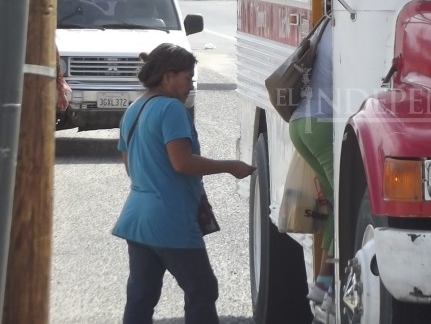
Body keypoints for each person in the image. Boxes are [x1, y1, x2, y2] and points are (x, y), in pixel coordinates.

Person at [113, 42, 256, 324]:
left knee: (141, 297)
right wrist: (231, 166)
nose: (190, 84)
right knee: (202, 289)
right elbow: (182, 162)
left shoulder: (134, 109)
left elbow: (131, 167)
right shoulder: (171, 109)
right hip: (170, 219)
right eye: (188, 77)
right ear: (168, 76)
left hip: (137, 218)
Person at [288, 20, 335, 306]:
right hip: (322, 125)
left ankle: (325, 285)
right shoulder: (352, 27)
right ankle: (329, 286)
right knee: (347, 204)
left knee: (334, 203)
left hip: (300, 124)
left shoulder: (325, 25)